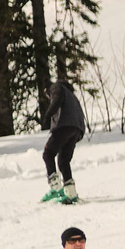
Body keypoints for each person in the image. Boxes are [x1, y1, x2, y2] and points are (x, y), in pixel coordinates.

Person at [38, 71, 88, 204]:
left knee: (48, 154)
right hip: (76, 129)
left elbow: (56, 100)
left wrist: (48, 116)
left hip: (64, 126)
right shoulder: (71, 94)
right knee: (63, 161)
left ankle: (56, 188)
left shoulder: (56, 88)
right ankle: (71, 194)